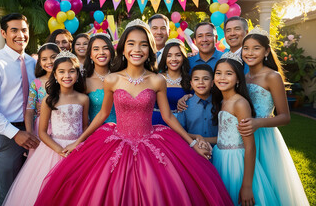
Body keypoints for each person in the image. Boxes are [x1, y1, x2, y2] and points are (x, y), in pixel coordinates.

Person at [34, 19, 233, 206]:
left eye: (143, 44)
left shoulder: (157, 80)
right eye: (131, 43)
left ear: (150, 49)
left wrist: (191, 144)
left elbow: (168, 116)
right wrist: (79, 142)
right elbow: (102, 115)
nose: (137, 49)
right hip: (115, 141)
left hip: (152, 141)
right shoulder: (112, 80)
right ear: (123, 48)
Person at [3, 51, 89, 206]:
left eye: (71, 71)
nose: (67, 75)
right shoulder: (49, 100)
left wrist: (78, 145)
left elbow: (84, 126)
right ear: (55, 76)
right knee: (50, 189)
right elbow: (42, 132)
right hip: (53, 149)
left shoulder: (83, 99)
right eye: (61, 72)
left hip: (77, 148)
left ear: (77, 74)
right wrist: (58, 150)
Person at [239, 28, 309, 205]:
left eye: (256, 48)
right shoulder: (244, 77)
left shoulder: (272, 76)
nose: (250, 52)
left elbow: (285, 117)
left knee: (265, 185)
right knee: (245, 180)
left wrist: (258, 123)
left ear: (266, 51)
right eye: (246, 48)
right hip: (244, 136)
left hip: (265, 137)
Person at [0, 13, 40, 206]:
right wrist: (15, 134)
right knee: (9, 188)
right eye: (14, 30)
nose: (20, 35)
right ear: (3, 33)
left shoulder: (33, 63)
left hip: (35, 129)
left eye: (24, 30)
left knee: (32, 184)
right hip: (7, 132)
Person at [211, 53, 278, 205]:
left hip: (235, 163)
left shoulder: (240, 104)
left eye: (229, 73)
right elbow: (224, 137)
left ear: (238, 79)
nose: (222, 77)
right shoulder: (223, 100)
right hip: (220, 157)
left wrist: (247, 185)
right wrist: (195, 137)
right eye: (218, 73)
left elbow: (250, 147)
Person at [24, 43, 60, 157]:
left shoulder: (66, 78)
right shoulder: (36, 83)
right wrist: (30, 133)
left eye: (53, 57)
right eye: (44, 59)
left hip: (62, 125)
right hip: (41, 127)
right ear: (40, 62)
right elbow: (30, 110)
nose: (49, 62)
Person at [152, 39, 191, 125]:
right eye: (169, 56)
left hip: (179, 123)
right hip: (155, 122)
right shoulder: (156, 78)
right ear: (165, 58)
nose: (173, 59)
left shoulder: (189, 80)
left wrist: (189, 96)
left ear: (183, 57)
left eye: (178, 55)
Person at [177, 64, 218, 144]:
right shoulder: (184, 105)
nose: (201, 82)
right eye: (196, 79)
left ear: (212, 83)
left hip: (217, 151)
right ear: (191, 83)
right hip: (192, 151)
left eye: (205, 79)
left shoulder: (219, 103)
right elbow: (179, 132)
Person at [83, 33, 116, 123]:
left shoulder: (120, 77)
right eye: (96, 49)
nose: (101, 52)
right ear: (90, 54)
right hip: (97, 132)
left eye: (105, 48)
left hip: (123, 131)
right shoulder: (85, 81)